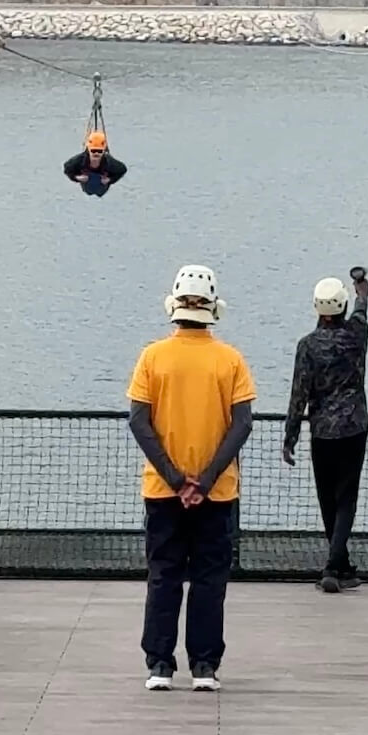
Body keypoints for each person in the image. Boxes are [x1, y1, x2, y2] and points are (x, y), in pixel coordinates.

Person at [127, 264, 257, 693]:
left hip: (162, 492)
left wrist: (174, 478)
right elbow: (241, 424)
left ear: (174, 306)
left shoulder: (152, 356)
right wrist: (203, 481)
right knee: (209, 579)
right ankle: (204, 665)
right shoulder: (230, 360)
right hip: (216, 493)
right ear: (213, 309)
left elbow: (140, 422)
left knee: (163, 575)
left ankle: (159, 665)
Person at [283, 269, 368, 594]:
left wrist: (290, 436)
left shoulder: (307, 347)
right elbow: (361, 309)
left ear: (317, 309)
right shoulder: (357, 336)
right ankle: (338, 565)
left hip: (321, 431)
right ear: (342, 307)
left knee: (327, 498)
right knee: (346, 497)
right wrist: (361, 291)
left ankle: (336, 565)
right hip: (354, 427)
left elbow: (298, 394)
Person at [63, 131, 127, 197]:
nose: (96, 154)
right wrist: (77, 178)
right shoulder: (80, 160)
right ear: (88, 150)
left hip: (101, 187)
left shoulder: (109, 162)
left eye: (99, 151)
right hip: (87, 185)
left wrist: (110, 179)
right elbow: (67, 168)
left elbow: (122, 170)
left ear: (103, 151)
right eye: (93, 151)